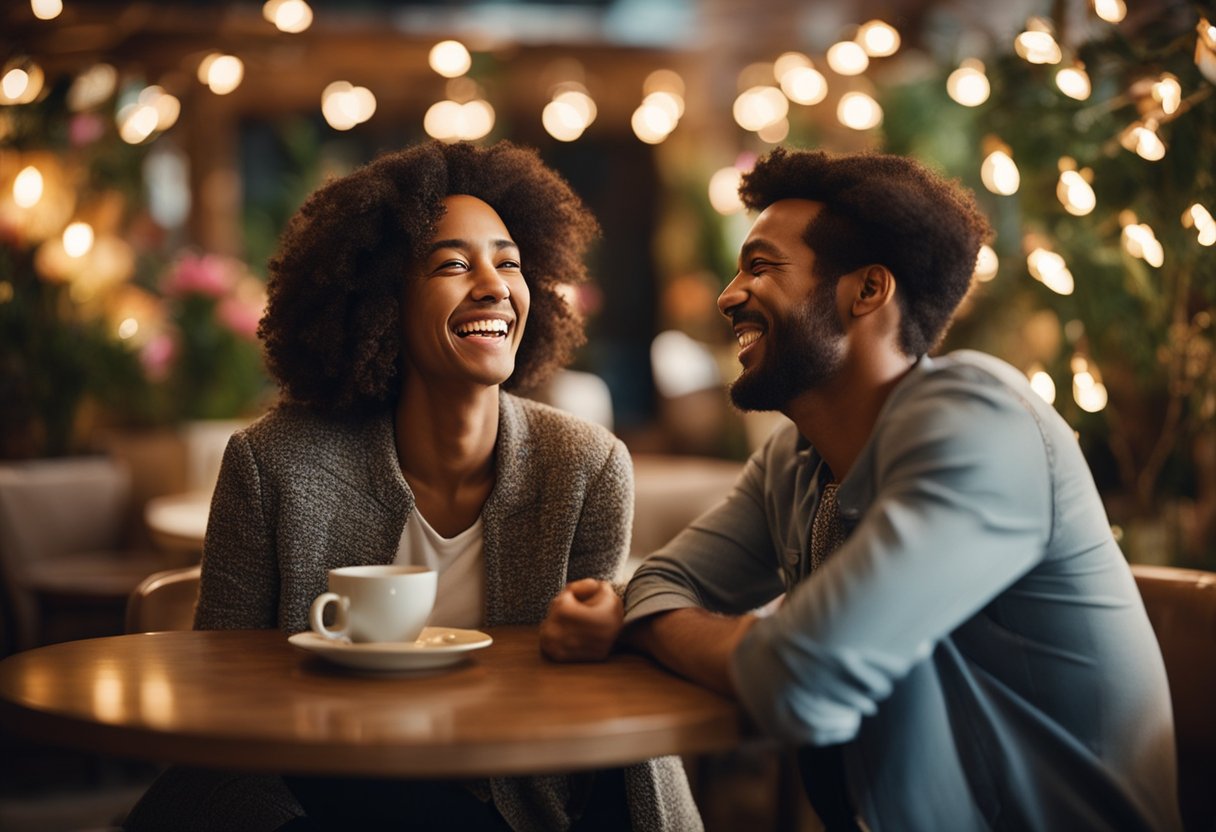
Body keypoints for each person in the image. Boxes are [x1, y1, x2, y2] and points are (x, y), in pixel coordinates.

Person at [542, 147, 1182, 831]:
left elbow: (800, 680)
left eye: (760, 266)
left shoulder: (981, 424)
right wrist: (675, 623)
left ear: (867, 291)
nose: (728, 296)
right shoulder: (796, 459)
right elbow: (662, 581)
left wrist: (646, 631)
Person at [124, 140, 700, 832]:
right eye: (453, 264)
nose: (493, 285)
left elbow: (585, 695)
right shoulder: (273, 462)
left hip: (522, 785)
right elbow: (215, 691)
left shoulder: (586, 465)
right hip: (335, 781)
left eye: (509, 263)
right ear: (380, 299)